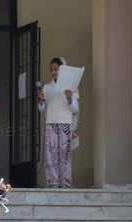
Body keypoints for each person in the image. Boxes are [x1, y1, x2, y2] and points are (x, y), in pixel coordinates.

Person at [38, 56, 80, 188]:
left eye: (56, 69)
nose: (53, 72)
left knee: (65, 155)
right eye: (51, 70)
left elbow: (74, 108)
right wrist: (41, 100)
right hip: (51, 124)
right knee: (51, 155)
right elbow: (41, 109)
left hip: (66, 124)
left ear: (63, 69)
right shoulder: (47, 87)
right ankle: (53, 183)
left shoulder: (72, 88)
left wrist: (69, 98)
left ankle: (66, 183)